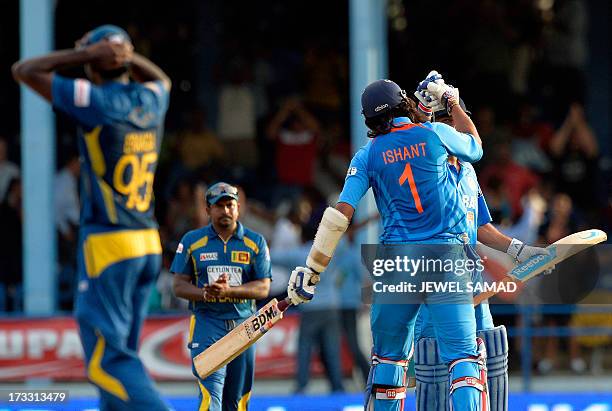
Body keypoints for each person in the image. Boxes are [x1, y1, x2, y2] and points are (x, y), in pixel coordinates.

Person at [286, 73, 491, 410]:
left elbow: (340, 215)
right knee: (464, 362)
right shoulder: (436, 133)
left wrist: (312, 268)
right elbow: (475, 146)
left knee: (389, 364)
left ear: (369, 119)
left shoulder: (367, 155)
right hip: (445, 257)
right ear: (405, 104)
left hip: (397, 265)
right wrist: (452, 102)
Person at [13, 25, 171, 410]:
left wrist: (83, 54)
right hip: (147, 243)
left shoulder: (97, 100)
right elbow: (163, 79)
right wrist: (124, 53)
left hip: (109, 246)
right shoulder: (149, 100)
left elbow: (24, 70)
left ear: (94, 64)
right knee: (124, 360)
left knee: (108, 363)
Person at [412, 98, 551, 411]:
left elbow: (481, 225)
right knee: (434, 360)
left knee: (491, 349)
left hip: (470, 277)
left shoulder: (468, 173)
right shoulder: (425, 170)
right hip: (435, 278)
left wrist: (519, 249)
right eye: (451, 130)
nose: (460, 137)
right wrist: (442, 104)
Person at [170, 182, 272, 411]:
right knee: (210, 393)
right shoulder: (191, 241)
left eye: (230, 205)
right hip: (208, 323)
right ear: (208, 210)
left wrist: (229, 291)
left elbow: (263, 288)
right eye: (219, 206)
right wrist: (206, 292)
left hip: (244, 326)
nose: (225, 210)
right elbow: (178, 286)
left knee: (237, 401)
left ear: (238, 208)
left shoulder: (255, 242)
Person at [273, 222, 345, 394]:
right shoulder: (330, 252)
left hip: (310, 309)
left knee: (305, 348)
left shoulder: (298, 254)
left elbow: (275, 258)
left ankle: (301, 386)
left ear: (302, 236)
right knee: (332, 349)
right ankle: (337, 387)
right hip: (331, 307)